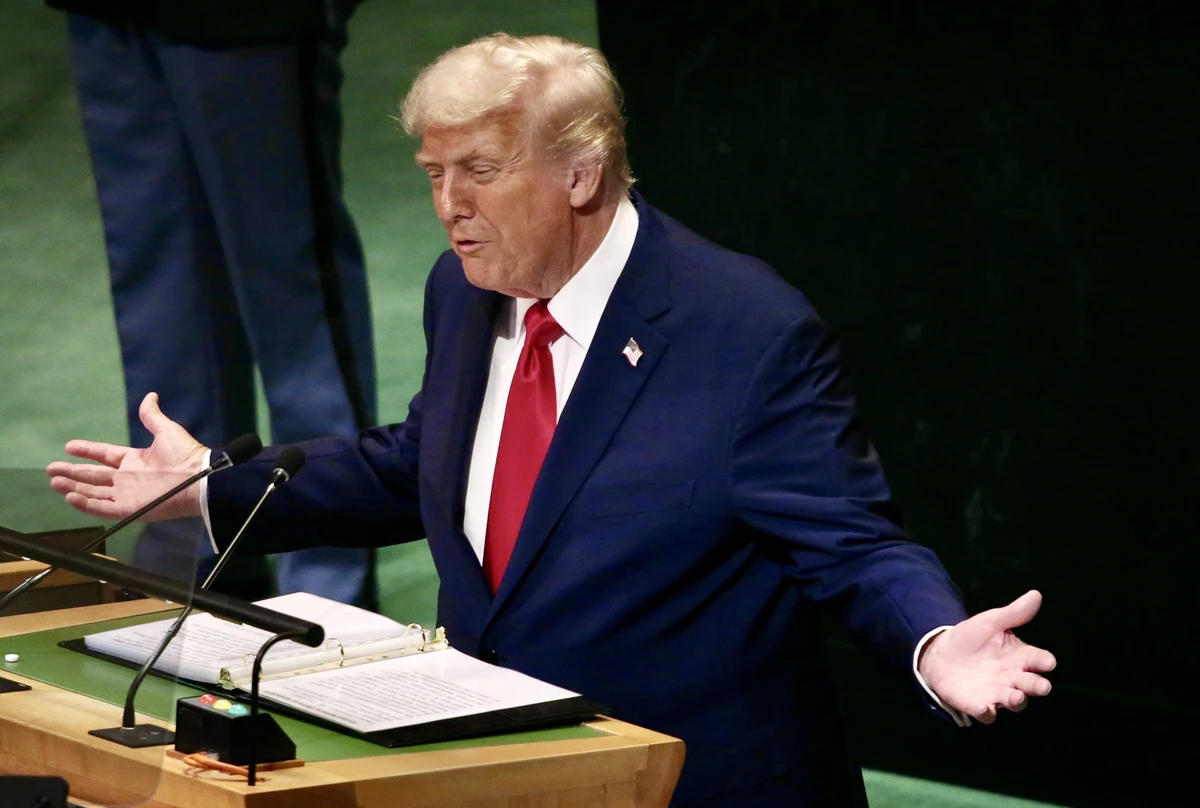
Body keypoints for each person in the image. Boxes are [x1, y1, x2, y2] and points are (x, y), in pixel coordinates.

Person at [47, 34, 1056, 807]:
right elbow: (427, 463)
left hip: (689, 783)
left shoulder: (742, 329)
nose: (449, 207)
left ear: (579, 173)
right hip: (503, 765)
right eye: (432, 175)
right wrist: (217, 488)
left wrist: (932, 639)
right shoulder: (467, 290)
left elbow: (850, 542)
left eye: (478, 172)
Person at [46, 0, 378, 606]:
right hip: (105, 13)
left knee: (292, 286)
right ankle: (191, 558)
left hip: (250, 19)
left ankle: (329, 586)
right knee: (158, 283)